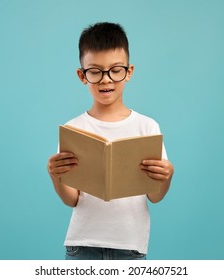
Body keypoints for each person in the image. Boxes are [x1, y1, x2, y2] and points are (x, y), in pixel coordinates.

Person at [47, 22, 174, 260]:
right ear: (82, 75)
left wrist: (167, 177)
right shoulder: (74, 129)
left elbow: (155, 196)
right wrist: (56, 177)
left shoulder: (147, 127)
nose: (106, 79)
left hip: (130, 246)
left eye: (115, 70)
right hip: (82, 245)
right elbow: (72, 199)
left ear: (129, 71)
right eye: (95, 71)